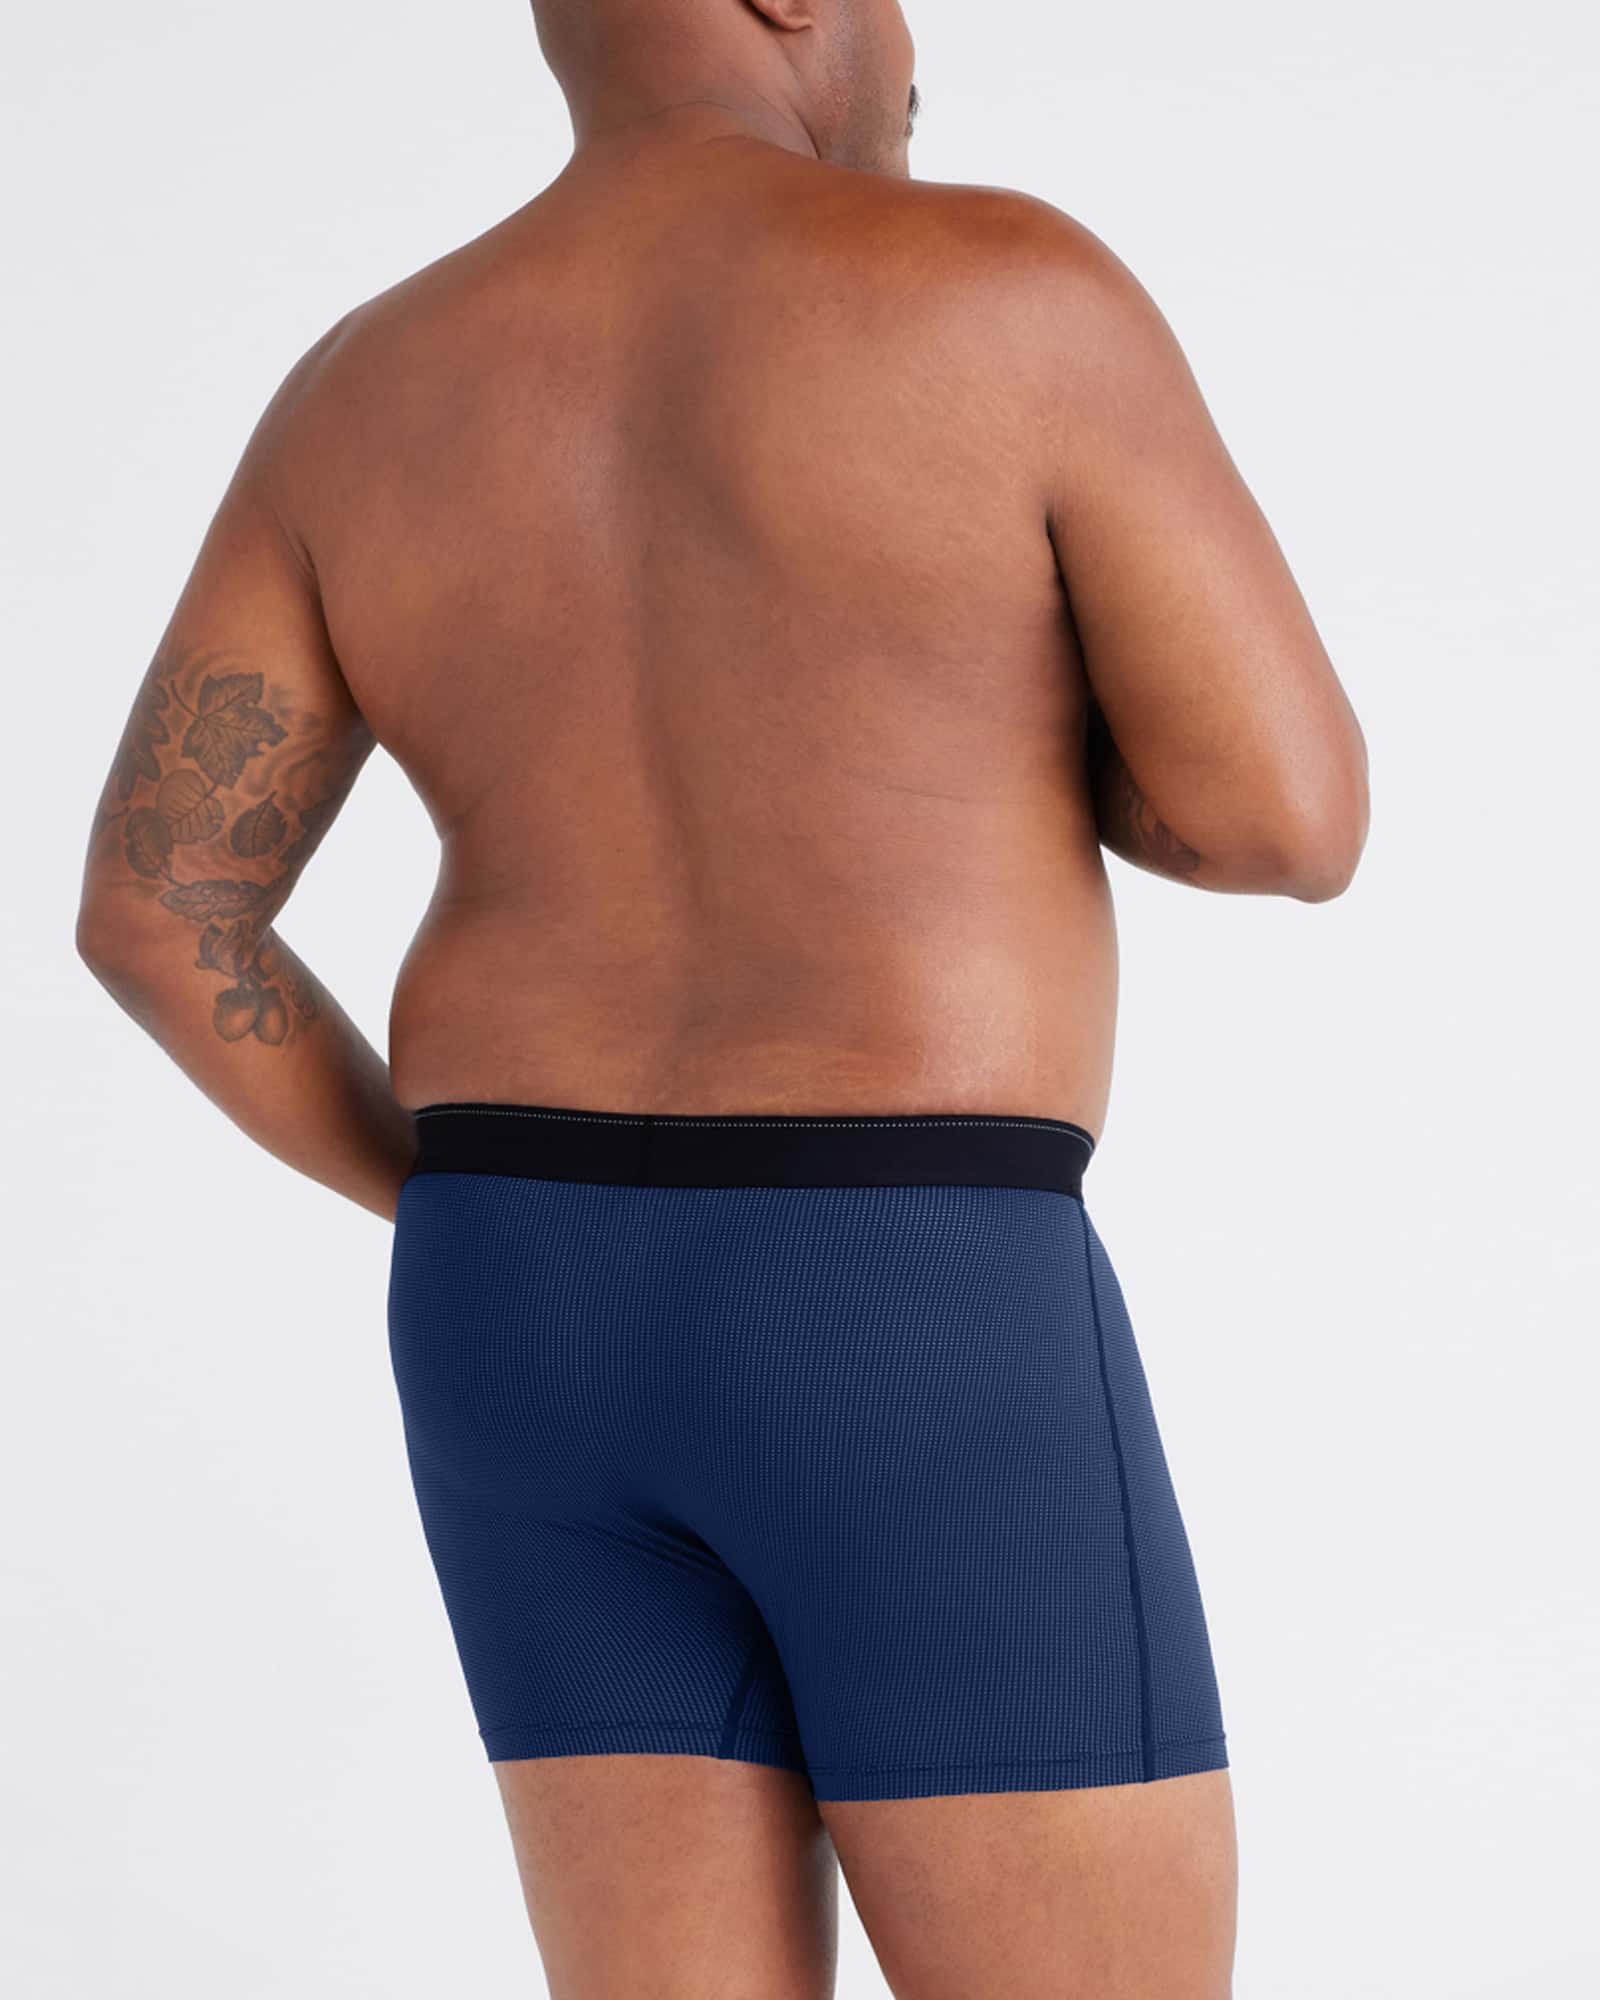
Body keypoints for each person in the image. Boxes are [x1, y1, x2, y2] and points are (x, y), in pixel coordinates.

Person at [76, 1, 1368, 1992]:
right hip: (900, 1283)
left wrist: (465, 1205)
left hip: (515, 1303)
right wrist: (1031, 727)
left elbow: (159, 917)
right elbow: (1286, 814)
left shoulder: (362, 386)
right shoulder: (1005, 286)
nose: (910, 54)